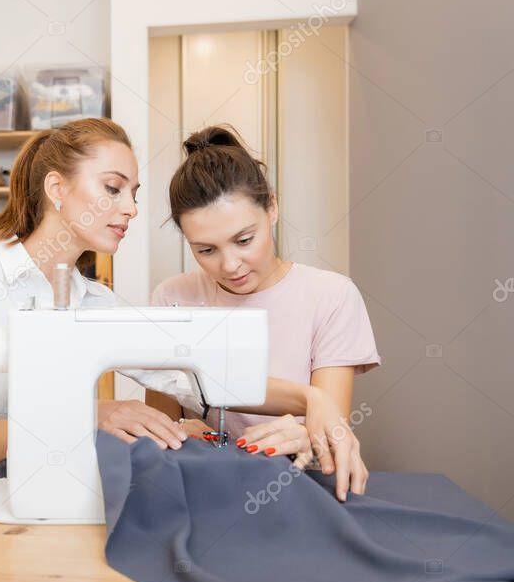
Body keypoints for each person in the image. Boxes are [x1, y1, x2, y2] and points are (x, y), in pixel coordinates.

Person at [0, 118, 365, 499]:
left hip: (38, 486)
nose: (132, 208)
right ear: (57, 189)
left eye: (134, 193)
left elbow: (193, 378)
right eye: (114, 188)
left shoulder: (96, 302)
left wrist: (311, 400)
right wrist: (86, 414)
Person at [150, 125, 381, 500]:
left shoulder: (332, 296)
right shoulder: (172, 298)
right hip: (204, 487)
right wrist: (180, 430)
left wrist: (305, 434)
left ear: (271, 207)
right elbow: (159, 427)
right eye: (206, 250)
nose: (230, 265)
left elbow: (330, 425)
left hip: (299, 486)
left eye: (244, 240)